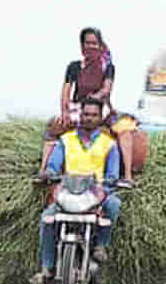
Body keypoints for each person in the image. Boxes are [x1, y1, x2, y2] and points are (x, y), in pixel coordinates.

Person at [28, 97, 122, 284]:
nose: (89, 118)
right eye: (86, 114)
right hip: (68, 192)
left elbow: (112, 174)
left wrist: (107, 187)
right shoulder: (66, 140)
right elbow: (54, 165)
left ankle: (100, 246)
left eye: (94, 115)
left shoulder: (109, 144)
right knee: (47, 218)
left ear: (100, 117)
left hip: (95, 195)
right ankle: (46, 269)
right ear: (80, 115)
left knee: (114, 204)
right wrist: (49, 174)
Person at [34, 27, 139, 188]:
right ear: (82, 46)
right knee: (54, 128)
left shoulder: (107, 67)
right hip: (79, 107)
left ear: (100, 45)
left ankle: (127, 177)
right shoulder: (74, 66)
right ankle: (45, 172)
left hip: (100, 106)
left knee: (124, 129)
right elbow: (66, 91)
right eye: (88, 43)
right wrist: (65, 112)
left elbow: (106, 89)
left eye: (95, 43)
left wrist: (96, 98)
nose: (91, 46)